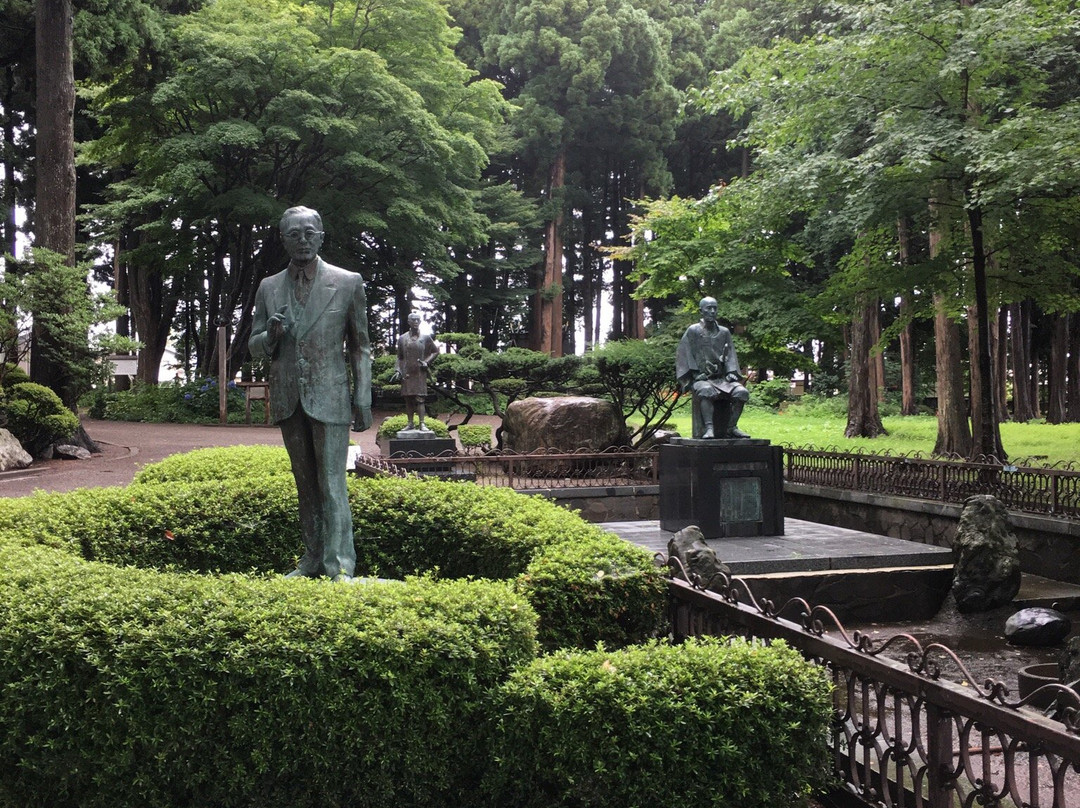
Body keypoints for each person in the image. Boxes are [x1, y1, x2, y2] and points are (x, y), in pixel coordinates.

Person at [249, 206, 372, 581]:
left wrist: (363, 396)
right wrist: (269, 336)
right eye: (294, 234)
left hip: (331, 395)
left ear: (320, 236)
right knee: (304, 484)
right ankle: (312, 558)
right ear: (283, 240)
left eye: (309, 233)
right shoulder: (269, 287)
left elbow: (361, 346)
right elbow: (254, 346)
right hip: (289, 397)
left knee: (333, 484)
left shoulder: (348, 281)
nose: (302, 240)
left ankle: (339, 565)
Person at [676, 296, 750, 439]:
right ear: (701, 311)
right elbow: (684, 353)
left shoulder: (724, 332)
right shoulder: (693, 331)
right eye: (708, 308)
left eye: (715, 308)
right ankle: (709, 429)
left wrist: (730, 373)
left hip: (722, 379)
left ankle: (731, 427)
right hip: (702, 379)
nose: (712, 311)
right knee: (706, 390)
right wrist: (695, 374)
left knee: (742, 392)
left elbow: (730, 355)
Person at [392, 311, 439, 431]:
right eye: (413, 320)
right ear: (409, 322)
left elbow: (435, 351)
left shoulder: (425, 338)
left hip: (419, 372)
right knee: (408, 399)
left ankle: (422, 423)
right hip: (407, 373)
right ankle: (410, 423)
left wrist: (427, 362)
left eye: (418, 320)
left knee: (420, 399)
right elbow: (399, 357)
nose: (416, 322)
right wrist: (398, 369)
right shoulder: (402, 338)